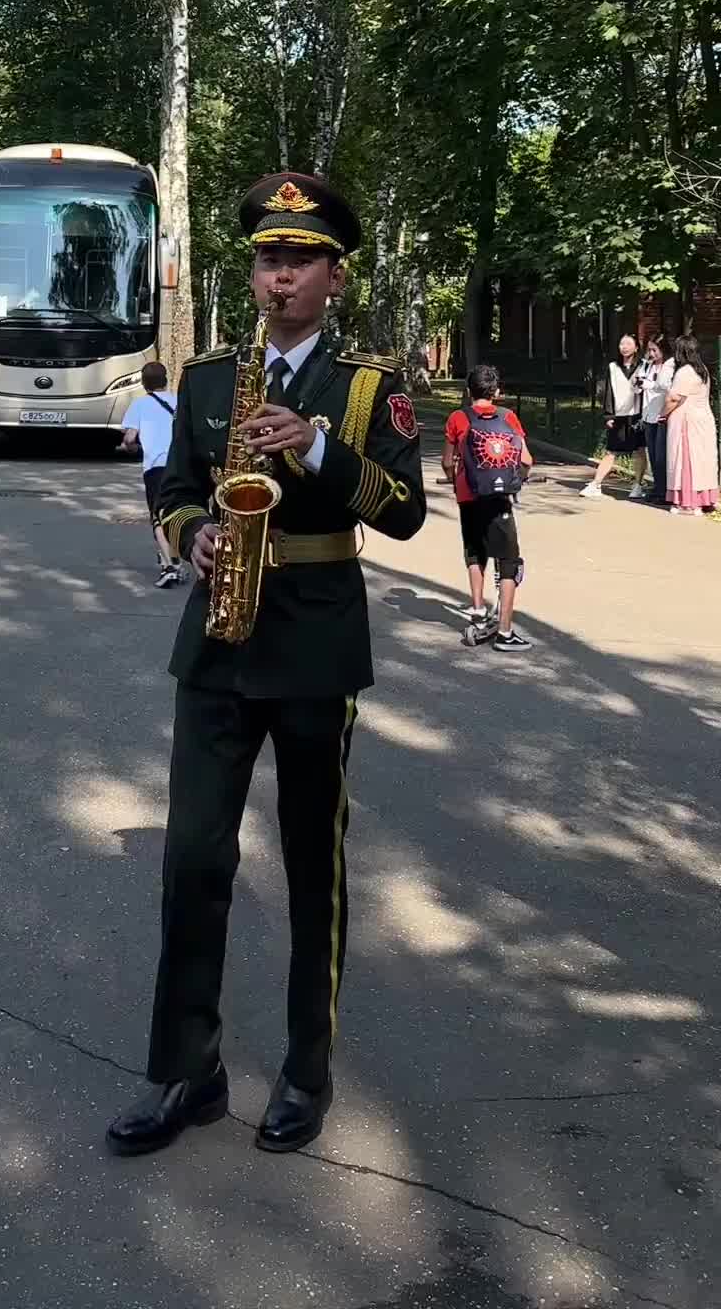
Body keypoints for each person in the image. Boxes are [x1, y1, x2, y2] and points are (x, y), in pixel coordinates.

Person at [106, 172, 426, 1161]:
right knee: (193, 859)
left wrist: (318, 448)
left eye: (297, 259)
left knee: (309, 861)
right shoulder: (207, 378)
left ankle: (306, 1069)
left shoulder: (371, 389)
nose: (277, 274)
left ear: (335, 276)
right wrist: (193, 532)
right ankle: (187, 1071)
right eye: (266, 258)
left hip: (316, 647)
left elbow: (407, 512)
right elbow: (171, 483)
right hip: (215, 642)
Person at [442, 365, 534, 650]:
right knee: (508, 561)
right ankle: (505, 631)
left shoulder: (457, 418)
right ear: (496, 391)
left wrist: (454, 482)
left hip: (469, 496)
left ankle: (479, 612)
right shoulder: (509, 417)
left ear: (468, 391)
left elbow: (447, 461)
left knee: (474, 551)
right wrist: (518, 479)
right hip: (499, 497)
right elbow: (527, 460)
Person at [121, 361, 183, 587]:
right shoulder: (180, 402)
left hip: (156, 466)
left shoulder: (139, 405)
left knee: (158, 515)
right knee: (176, 513)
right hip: (180, 465)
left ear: (144, 382)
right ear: (166, 379)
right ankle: (175, 560)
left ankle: (169, 568)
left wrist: (132, 448)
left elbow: (129, 439)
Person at [581, 333, 647, 499]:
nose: (624, 347)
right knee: (611, 451)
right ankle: (596, 484)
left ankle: (637, 485)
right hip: (618, 415)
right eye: (621, 344)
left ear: (636, 347)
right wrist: (609, 415)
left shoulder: (644, 366)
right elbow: (608, 392)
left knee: (639, 450)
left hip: (637, 413)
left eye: (628, 343)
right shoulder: (613, 367)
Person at [664, 335, 719, 516]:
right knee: (703, 460)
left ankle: (687, 502)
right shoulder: (702, 369)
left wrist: (662, 414)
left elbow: (674, 398)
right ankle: (705, 499)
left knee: (686, 459)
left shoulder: (684, 372)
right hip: (703, 418)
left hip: (687, 422)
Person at [640, 335, 675, 506]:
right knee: (653, 455)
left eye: (655, 350)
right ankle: (657, 488)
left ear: (664, 349)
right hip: (648, 414)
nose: (651, 353)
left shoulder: (670, 365)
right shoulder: (648, 366)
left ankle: (664, 491)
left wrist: (650, 385)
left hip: (663, 414)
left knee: (662, 456)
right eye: (650, 350)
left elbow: (668, 387)